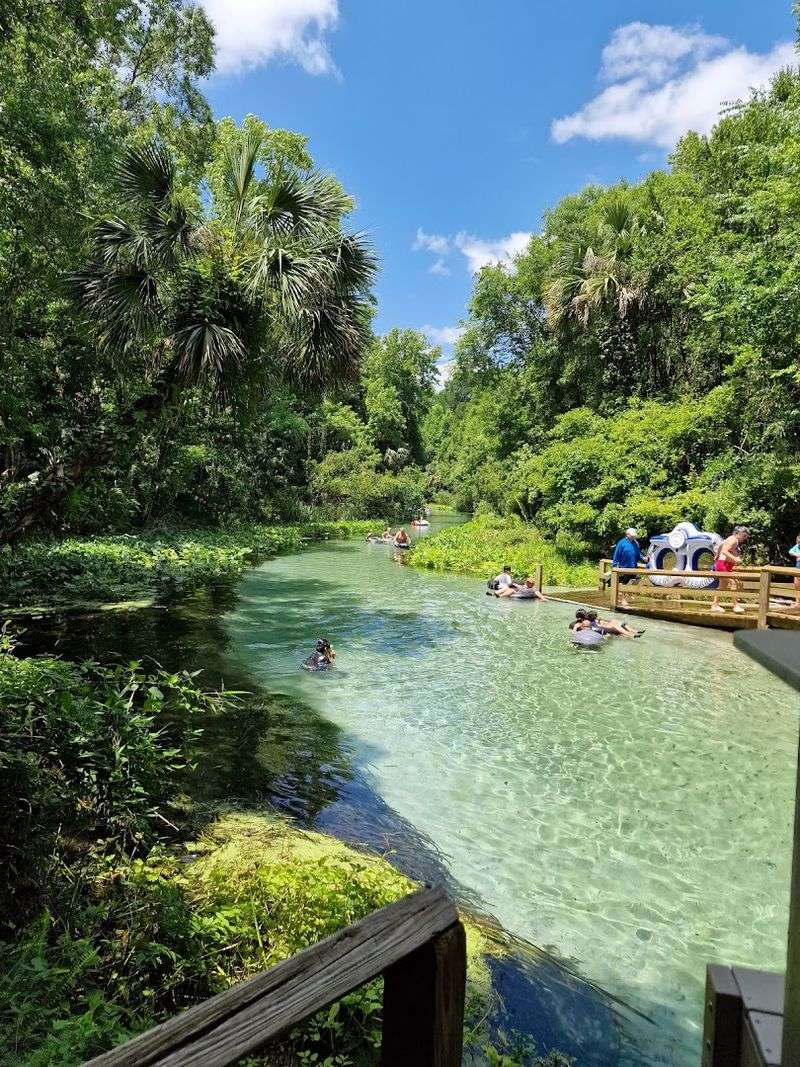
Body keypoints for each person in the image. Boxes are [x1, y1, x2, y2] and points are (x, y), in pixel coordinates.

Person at [710, 526, 751, 614]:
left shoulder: (730, 538)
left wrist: (717, 555)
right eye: (744, 536)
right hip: (723, 565)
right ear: (738, 533)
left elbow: (721, 545)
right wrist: (735, 559)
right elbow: (725, 551)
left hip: (723, 564)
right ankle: (736, 606)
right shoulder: (734, 540)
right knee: (733, 583)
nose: (744, 538)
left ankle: (715, 605)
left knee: (722, 586)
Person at [611, 528, 646, 609]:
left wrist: (643, 558)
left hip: (633, 566)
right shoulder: (621, 543)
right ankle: (623, 599)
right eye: (632, 536)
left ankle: (627, 595)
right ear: (627, 535)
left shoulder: (635, 543)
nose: (633, 537)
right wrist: (615, 566)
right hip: (624, 567)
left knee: (636, 580)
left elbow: (638, 554)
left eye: (634, 536)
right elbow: (616, 555)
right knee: (625, 583)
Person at [789, 533, 800, 609]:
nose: (798, 543)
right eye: (798, 541)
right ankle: (797, 603)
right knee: (797, 585)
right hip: (798, 567)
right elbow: (790, 551)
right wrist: (797, 554)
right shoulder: (797, 546)